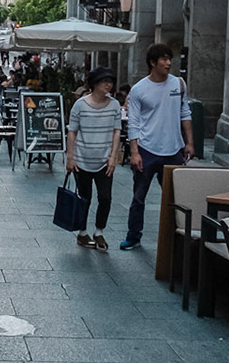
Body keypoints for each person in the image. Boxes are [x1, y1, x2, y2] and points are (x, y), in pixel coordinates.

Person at [119, 44, 193, 252]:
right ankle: (133, 235)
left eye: (170, 58)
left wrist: (190, 142)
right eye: (164, 59)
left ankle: (177, 236)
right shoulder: (139, 89)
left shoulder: (178, 84)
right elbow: (133, 122)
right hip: (147, 150)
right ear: (153, 62)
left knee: (177, 197)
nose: (168, 63)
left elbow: (185, 113)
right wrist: (134, 153)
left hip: (174, 150)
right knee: (138, 197)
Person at [65, 67, 124, 251]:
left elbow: (117, 132)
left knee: (105, 198)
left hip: (104, 161)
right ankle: (82, 233)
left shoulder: (114, 105)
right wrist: (70, 157)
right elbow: (72, 132)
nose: (108, 85)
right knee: (85, 198)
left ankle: (99, 231)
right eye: (104, 81)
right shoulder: (80, 105)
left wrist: (113, 156)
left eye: (110, 81)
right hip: (82, 159)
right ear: (94, 84)